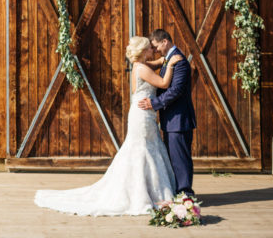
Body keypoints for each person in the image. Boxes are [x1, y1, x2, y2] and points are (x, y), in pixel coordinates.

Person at [34, 36, 181, 216]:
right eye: (150, 48)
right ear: (144, 51)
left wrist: (163, 60)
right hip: (142, 116)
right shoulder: (142, 68)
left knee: (144, 150)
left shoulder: (139, 66)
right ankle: (142, 193)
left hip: (143, 114)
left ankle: (145, 191)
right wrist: (172, 64)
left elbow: (155, 64)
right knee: (143, 150)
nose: (153, 50)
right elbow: (164, 83)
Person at [138, 29, 196, 196]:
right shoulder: (168, 59)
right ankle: (178, 191)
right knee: (173, 159)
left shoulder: (179, 61)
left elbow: (176, 90)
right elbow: (145, 66)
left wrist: (154, 103)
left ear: (165, 41)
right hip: (170, 119)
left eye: (156, 46)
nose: (155, 50)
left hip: (179, 119)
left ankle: (185, 193)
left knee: (180, 159)